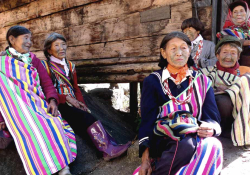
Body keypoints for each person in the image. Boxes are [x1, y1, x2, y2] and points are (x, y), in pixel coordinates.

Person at [134, 31, 222, 175]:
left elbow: (212, 117)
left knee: (213, 145)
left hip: (194, 134)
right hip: (164, 137)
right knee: (185, 144)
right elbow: (147, 121)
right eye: (173, 48)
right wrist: (145, 160)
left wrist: (211, 128)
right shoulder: (153, 81)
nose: (179, 52)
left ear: (189, 51)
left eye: (183, 47)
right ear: (164, 53)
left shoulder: (202, 81)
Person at [41, 32, 131, 162]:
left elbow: (76, 88)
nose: (62, 48)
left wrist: (81, 103)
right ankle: (107, 150)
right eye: (57, 45)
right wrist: (65, 98)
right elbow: (46, 89)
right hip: (58, 102)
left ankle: (108, 149)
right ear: (49, 50)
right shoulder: (45, 67)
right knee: (85, 119)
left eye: (64, 44)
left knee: (85, 115)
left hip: (73, 102)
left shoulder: (70, 66)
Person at [0, 26, 75, 175]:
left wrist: (53, 100)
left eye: (30, 38)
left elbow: (46, 83)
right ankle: (44, 169)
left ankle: (63, 168)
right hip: (17, 110)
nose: (30, 42)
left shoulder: (33, 59)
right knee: (34, 128)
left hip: (37, 102)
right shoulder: (2, 62)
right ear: (12, 39)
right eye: (26, 38)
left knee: (54, 124)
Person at [199, 36, 250, 150]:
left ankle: (239, 131)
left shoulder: (245, 72)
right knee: (221, 100)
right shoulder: (208, 72)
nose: (228, 56)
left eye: (233, 53)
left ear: (238, 56)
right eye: (225, 52)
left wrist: (233, 91)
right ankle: (221, 130)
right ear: (217, 55)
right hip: (217, 117)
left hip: (238, 115)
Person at [217, 1, 250, 66]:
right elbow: (228, 43)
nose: (238, 14)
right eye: (235, 12)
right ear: (231, 15)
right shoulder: (227, 32)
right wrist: (244, 42)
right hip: (235, 67)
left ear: (247, 13)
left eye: (241, 11)